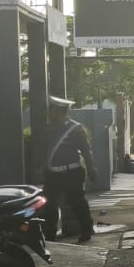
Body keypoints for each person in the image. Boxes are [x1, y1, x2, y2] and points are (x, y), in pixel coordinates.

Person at [39, 97, 97, 243]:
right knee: (49, 205)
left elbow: (85, 150)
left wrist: (91, 168)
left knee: (77, 202)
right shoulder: (48, 128)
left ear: (61, 110)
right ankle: (49, 234)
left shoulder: (76, 129)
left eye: (52, 109)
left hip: (71, 173)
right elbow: (42, 151)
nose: (50, 112)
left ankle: (86, 229)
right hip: (53, 174)